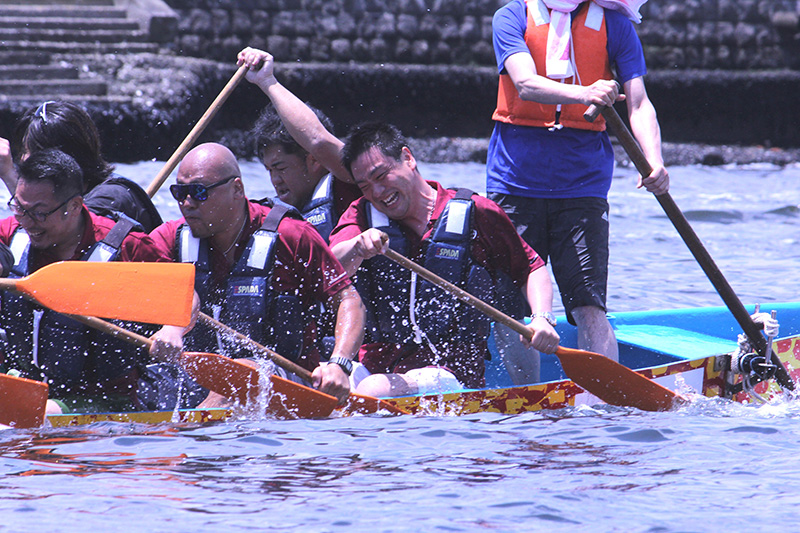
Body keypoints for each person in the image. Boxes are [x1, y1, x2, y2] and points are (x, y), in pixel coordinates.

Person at [487, 0, 670, 361]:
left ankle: (599, 393)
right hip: (514, 180)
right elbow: (525, 84)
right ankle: (525, 391)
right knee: (512, 307)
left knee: (589, 303)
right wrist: (585, 92)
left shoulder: (615, 24)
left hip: (583, 184)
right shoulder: (511, 16)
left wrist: (654, 160)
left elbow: (638, 103)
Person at [328, 122, 560, 398]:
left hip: (450, 373)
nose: (377, 193)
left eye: (381, 176)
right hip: (375, 367)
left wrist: (542, 318)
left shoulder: (477, 212)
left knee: (374, 389)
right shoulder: (361, 215)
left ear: (408, 158)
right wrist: (357, 246)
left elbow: (531, 268)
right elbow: (330, 268)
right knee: (323, 380)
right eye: (365, 186)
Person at [148, 143, 365, 403]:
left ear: (237, 189)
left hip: (287, 381)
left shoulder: (292, 235)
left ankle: (194, 424)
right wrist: (171, 329)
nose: (187, 203)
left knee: (239, 373)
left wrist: (339, 364)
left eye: (198, 192)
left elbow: (348, 300)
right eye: (179, 193)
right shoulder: (170, 238)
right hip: (201, 380)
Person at [0, 148, 171, 414]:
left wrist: (172, 331)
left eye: (39, 213)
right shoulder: (15, 232)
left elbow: (183, 296)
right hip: (23, 383)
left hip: (103, 400)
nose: (28, 222)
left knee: (25, 414)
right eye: (20, 208)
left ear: (75, 206)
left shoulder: (128, 247)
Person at [0, 100, 163, 232]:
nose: (22, 159)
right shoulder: (70, 197)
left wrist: (8, 175)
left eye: (27, 151)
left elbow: (61, 236)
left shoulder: (110, 198)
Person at [249, 102, 362, 243]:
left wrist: (268, 87)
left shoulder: (353, 184)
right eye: (270, 170)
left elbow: (319, 141)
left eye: (281, 168)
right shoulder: (269, 216)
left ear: (314, 160)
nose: (275, 180)